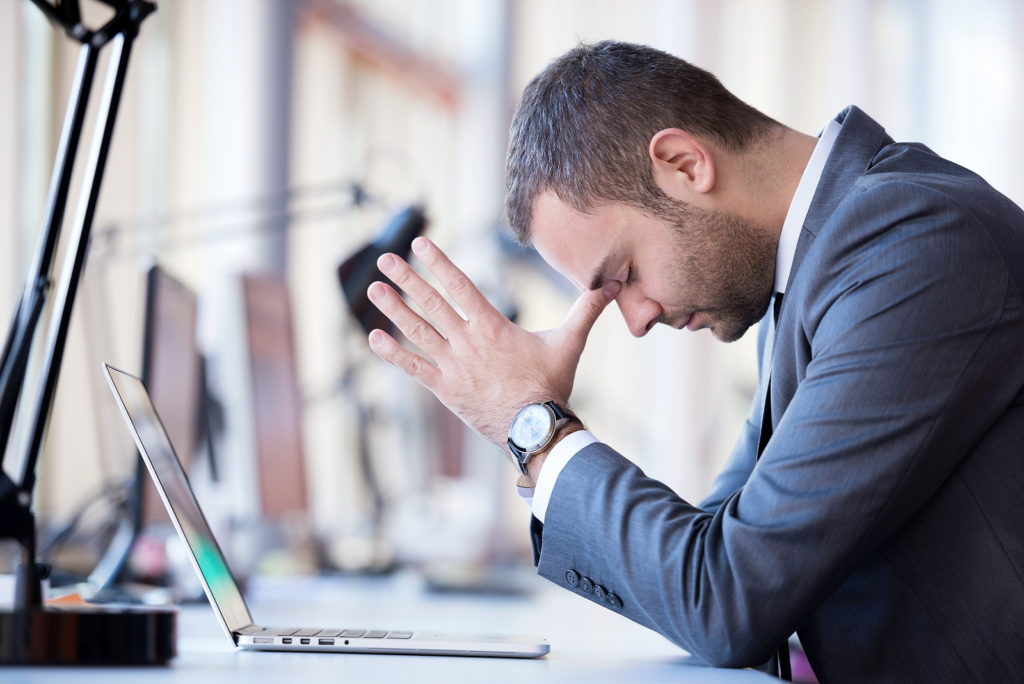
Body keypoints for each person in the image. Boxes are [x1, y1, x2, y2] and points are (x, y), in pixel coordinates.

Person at [364, 41, 1024, 682]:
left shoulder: (912, 249)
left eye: (623, 275)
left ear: (683, 163)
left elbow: (727, 597)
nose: (637, 320)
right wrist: (535, 425)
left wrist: (533, 426)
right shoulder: (813, 271)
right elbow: (708, 558)